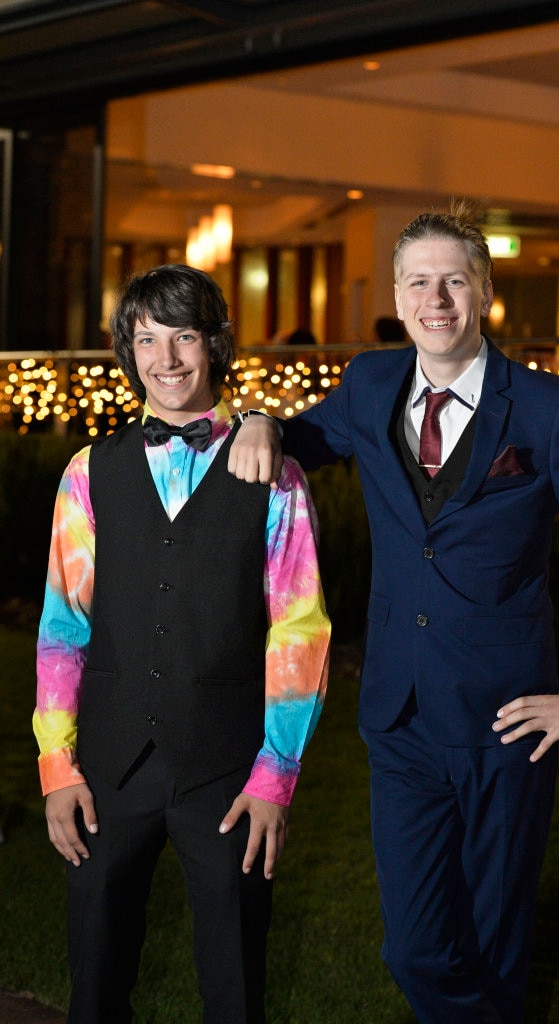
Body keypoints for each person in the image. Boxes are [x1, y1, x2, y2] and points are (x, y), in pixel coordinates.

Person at [226, 202, 559, 1024]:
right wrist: (256, 418)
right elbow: (299, 439)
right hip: (397, 715)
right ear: (398, 296)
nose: (436, 299)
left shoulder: (544, 409)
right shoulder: (366, 383)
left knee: (495, 944)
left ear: (485, 294)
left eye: (454, 281)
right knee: (413, 948)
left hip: (506, 719)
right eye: (419, 282)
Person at [33, 264, 331, 1024]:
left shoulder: (279, 477)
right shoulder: (87, 472)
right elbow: (64, 627)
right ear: (127, 353)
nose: (166, 359)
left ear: (215, 344)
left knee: (233, 988)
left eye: (184, 336)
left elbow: (299, 633)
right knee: (94, 986)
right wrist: (56, 765)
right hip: (105, 771)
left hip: (228, 776)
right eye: (146, 339)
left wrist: (276, 775)